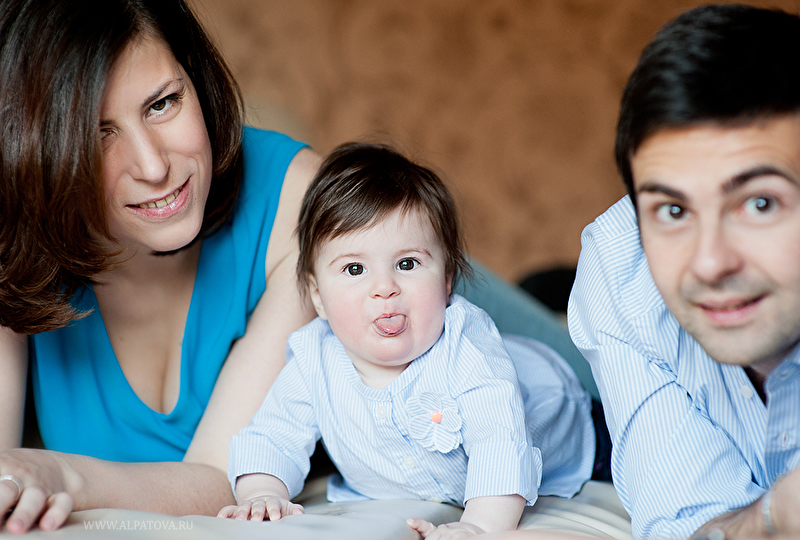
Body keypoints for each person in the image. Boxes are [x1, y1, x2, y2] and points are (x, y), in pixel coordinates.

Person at [0, 0, 320, 533]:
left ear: (196, 79)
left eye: (162, 103)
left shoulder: (299, 204)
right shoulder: (14, 228)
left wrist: (61, 475)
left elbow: (225, 476)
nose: (153, 167)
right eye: (97, 134)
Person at [220, 142, 596, 538]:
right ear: (317, 296)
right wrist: (263, 492)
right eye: (354, 269)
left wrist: (479, 527)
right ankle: (541, 291)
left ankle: (552, 294)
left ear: (447, 280)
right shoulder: (313, 360)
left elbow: (499, 442)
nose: (384, 287)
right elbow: (272, 437)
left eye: (407, 263)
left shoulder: (466, 345)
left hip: (565, 411)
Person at [568, 4, 800, 539]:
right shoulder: (620, 262)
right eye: (673, 210)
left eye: (759, 204)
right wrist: (773, 516)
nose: (710, 263)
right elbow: (685, 524)